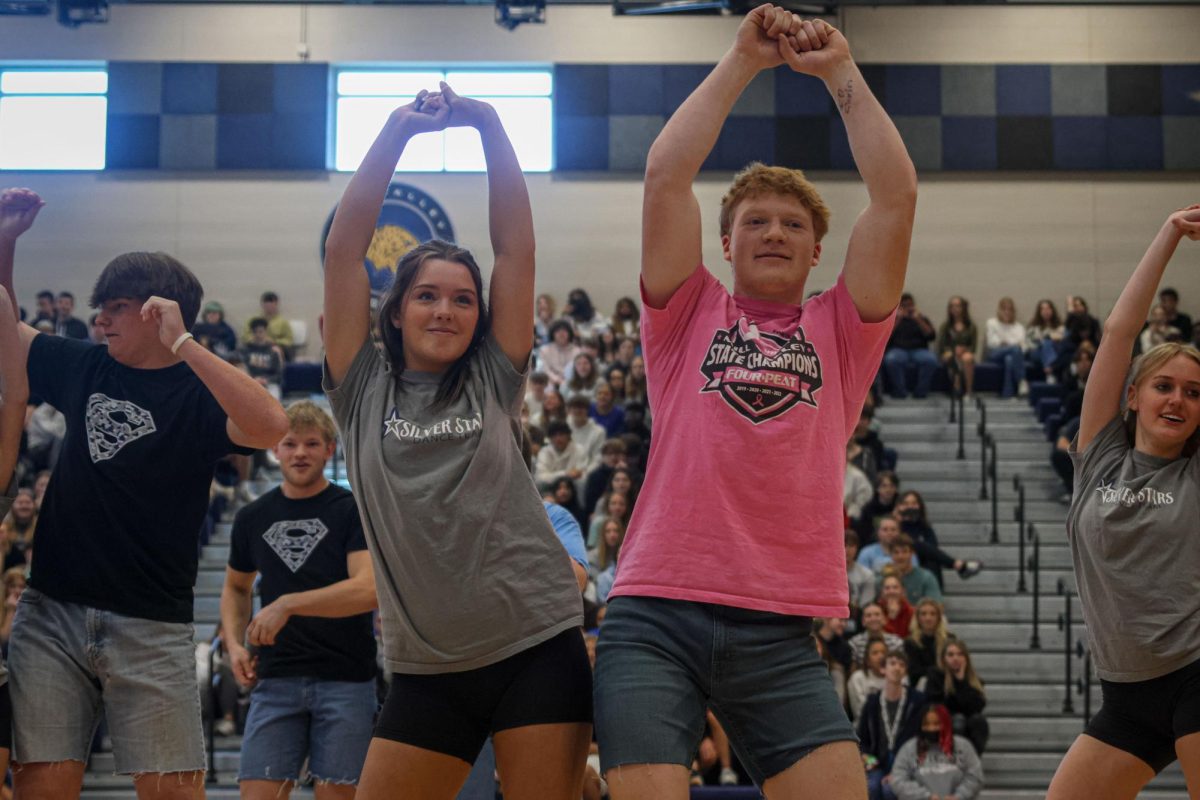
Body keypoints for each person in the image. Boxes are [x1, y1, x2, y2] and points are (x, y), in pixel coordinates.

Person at [593, 7, 917, 797]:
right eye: (754, 222)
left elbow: (897, 197)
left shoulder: (843, 328)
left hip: (777, 627)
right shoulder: (685, 313)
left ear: (817, 249)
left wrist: (840, 72)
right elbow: (666, 175)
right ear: (725, 244)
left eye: (793, 224)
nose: (774, 232)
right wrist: (742, 60)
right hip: (653, 613)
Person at [321, 84, 591, 799]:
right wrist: (395, 133)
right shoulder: (358, 388)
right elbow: (344, 252)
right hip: (425, 666)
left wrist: (491, 125)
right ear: (397, 310)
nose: (446, 309)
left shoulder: (495, 375)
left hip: (536, 642)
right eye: (428, 295)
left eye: (463, 298)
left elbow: (515, 246)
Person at [0, 186, 288, 799]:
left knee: (175, 794)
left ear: (161, 312)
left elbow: (271, 426)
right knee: (41, 789)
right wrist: (4, 242)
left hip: (152, 625)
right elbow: (4, 335)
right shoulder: (84, 364)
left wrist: (185, 343)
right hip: (52, 612)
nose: (99, 318)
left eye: (117, 306)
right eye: (99, 306)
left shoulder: (200, 390)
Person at [1048, 203, 1200, 800]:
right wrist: (1168, 233)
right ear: (1133, 395)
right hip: (1126, 694)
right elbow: (1118, 332)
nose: (1178, 400)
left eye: (1194, 393)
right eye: (1164, 386)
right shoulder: (1099, 456)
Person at [221, 401, 379, 799]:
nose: (300, 453)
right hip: (275, 678)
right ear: (274, 450)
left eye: (312, 444)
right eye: (290, 444)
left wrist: (286, 604)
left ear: (330, 450)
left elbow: (367, 590)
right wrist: (234, 644)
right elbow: (237, 587)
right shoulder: (252, 516)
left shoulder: (352, 510)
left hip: (346, 679)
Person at [858, 650, 925, 800]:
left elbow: (921, 738)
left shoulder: (917, 701)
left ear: (905, 671)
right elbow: (862, 739)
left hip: (907, 763)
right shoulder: (872, 702)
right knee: (872, 786)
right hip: (877, 762)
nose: (897, 668)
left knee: (890, 789)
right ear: (883, 669)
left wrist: (901, 770)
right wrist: (868, 759)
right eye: (892, 663)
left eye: (902, 665)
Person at [888, 703, 983, 800]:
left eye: (937, 724)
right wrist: (926, 796)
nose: (931, 728)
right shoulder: (908, 749)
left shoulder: (963, 747)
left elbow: (975, 777)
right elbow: (897, 780)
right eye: (926, 724)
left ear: (946, 723)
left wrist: (958, 796)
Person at [895, 490, 981, 587]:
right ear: (899, 507)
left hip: (922, 565)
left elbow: (933, 549)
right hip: (900, 562)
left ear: (919, 506)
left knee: (932, 562)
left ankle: (934, 598)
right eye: (906, 503)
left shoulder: (925, 527)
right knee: (917, 544)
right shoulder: (895, 526)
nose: (910, 507)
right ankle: (957, 565)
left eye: (914, 503)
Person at [924, 639, 989, 756]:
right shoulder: (935, 675)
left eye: (960, 654)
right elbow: (938, 704)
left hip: (967, 723)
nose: (955, 658)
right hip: (942, 721)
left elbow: (976, 708)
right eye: (951, 654)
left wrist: (961, 680)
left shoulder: (975, 681)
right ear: (943, 658)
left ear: (966, 658)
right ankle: (954, 760)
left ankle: (972, 761)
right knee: (958, 720)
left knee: (979, 721)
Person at [882, 294, 937, 399]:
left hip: (919, 350)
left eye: (910, 305)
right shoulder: (894, 319)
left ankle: (921, 392)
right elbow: (885, 337)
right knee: (891, 360)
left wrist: (918, 320)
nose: (908, 308)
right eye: (904, 305)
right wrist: (898, 319)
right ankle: (900, 391)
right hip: (898, 349)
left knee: (931, 360)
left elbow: (931, 336)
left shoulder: (921, 318)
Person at [985, 297, 1027, 398]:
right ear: (999, 310)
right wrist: (1012, 344)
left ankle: (1008, 394)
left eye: (1010, 310)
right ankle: (1022, 380)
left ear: (1013, 312)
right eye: (1004, 309)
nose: (1007, 312)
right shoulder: (992, 323)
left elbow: (1024, 347)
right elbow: (991, 343)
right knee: (1015, 349)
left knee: (1009, 359)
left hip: (1013, 356)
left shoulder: (1019, 327)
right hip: (994, 354)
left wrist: (1005, 343)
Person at [937, 296, 976, 399]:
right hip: (948, 354)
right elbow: (942, 346)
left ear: (963, 308)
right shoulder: (945, 326)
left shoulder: (971, 326)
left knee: (967, 358)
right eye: (952, 306)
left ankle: (968, 391)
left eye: (958, 306)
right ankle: (956, 387)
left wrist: (963, 349)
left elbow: (973, 347)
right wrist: (954, 351)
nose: (955, 308)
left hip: (965, 354)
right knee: (952, 357)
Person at [904, 598, 949, 681]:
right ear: (917, 618)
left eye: (933, 614)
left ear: (939, 618)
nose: (928, 618)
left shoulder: (949, 640)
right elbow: (914, 672)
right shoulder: (910, 642)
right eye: (923, 614)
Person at [240, 317, 285, 399]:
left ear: (265, 332)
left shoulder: (273, 351)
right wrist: (253, 379)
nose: (258, 335)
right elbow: (242, 369)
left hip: (269, 384)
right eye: (255, 332)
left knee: (273, 398)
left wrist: (266, 380)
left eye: (260, 332)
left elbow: (278, 375)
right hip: (250, 382)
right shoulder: (245, 350)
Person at [889, 534, 941, 604]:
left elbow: (936, 605)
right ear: (890, 554)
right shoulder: (883, 578)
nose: (900, 556)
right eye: (896, 552)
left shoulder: (926, 578)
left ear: (912, 553)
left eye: (904, 552)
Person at [243, 290, 295, 359]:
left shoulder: (283, 322)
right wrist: (257, 339)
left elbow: (289, 340)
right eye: (266, 302)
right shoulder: (254, 320)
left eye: (271, 302)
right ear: (262, 304)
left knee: (285, 350)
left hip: (274, 348)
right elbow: (245, 336)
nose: (268, 305)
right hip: (256, 347)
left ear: (276, 304)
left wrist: (273, 341)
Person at [848, 637, 889, 721]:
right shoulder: (858, 678)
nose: (881, 656)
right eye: (875, 653)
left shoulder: (896, 678)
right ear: (867, 661)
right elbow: (859, 711)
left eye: (884, 652)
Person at [855, 470, 898, 546]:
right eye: (884, 486)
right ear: (877, 488)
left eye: (891, 486)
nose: (888, 490)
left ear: (896, 488)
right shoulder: (868, 509)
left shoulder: (900, 506)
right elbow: (864, 534)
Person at [1027, 299, 1065, 384]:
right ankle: (1050, 371)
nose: (1046, 311)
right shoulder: (1033, 326)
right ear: (1039, 312)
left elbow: (1062, 339)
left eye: (1048, 309)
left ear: (1052, 310)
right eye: (1043, 309)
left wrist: (1048, 338)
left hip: (1055, 351)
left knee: (1048, 343)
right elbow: (1029, 342)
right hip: (1036, 352)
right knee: (1045, 343)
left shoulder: (1059, 326)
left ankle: (1049, 370)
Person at [845, 530, 876, 626]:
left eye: (851, 546)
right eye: (844, 545)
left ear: (857, 548)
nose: (847, 550)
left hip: (858, 620)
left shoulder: (867, 574)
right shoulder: (829, 574)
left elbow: (866, 606)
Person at [537, 320, 579, 388]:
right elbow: (545, 370)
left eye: (564, 331)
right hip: (550, 382)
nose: (561, 333)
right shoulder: (544, 350)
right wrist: (557, 380)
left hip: (572, 382)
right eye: (558, 331)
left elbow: (577, 370)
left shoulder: (577, 351)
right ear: (552, 334)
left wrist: (566, 382)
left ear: (570, 333)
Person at [878, 574, 913, 638]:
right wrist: (891, 618)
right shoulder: (876, 611)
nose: (891, 591)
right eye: (887, 588)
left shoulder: (912, 612)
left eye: (895, 587)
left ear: (903, 591)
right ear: (882, 592)